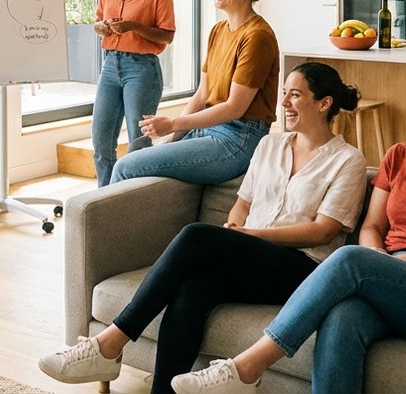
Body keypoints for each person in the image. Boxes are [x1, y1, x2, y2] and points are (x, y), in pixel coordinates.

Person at [169, 63, 406, 394]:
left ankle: (246, 368)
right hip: (392, 281)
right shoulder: (398, 157)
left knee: (351, 258)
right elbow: (372, 227)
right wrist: (380, 259)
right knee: (341, 318)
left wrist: (391, 265)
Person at [39, 63, 368, 393]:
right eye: (284, 93)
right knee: (193, 289)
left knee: (197, 235)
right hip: (253, 255)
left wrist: (249, 236)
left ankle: (111, 342)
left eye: (295, 95)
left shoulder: (347, 160)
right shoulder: (270, 145)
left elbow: (323, 231)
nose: (284, 102)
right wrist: (235, 227)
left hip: (303, 268)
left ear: (324, 103)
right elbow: (244, 201)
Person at [110, 0, 279, 185]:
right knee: (137, 153)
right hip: (210, 129)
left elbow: (234, 108)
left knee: (125, 167)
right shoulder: (218, 30)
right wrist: (172, 138)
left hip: (238, 139)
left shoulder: (257, 37)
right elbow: (202, 95)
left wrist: (172, 124)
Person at [90, 0, 176, 186]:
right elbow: (96, 22)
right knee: (101, 140)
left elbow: (167, 35)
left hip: (141, 69)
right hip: (110, 65)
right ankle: (105, 198)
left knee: (138, 143)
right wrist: (102, 27)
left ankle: (130, 198)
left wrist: (132, 27)